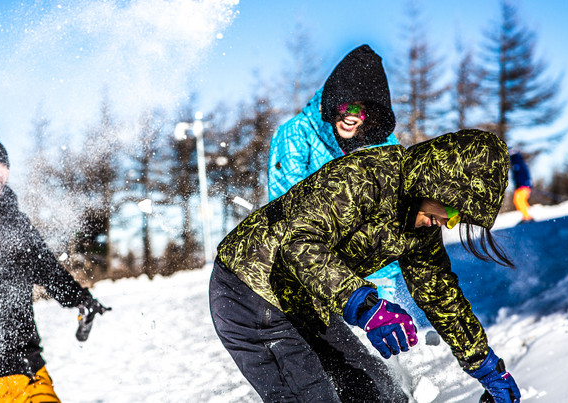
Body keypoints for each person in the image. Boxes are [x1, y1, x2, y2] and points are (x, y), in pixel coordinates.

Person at [210, 129, 521, 403]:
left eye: (459, 219)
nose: (449, 224)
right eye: (453, 210)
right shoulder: (365, 178)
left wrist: (486, 366)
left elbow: (439, 292)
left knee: (381, 395)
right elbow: (300, 242)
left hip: (307, 298)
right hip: (251, 291)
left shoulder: (422, 223)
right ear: (435, 182)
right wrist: (363, 305)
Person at [0, 124, 109, 402]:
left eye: (2, 164)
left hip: (30, 362)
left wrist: (80, 299)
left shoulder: (14, 219)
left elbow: (45, 266)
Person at [268, 44, 400, 301]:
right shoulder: (296, 134)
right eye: (345, 107)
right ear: (332, 103)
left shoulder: (383, 143)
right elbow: (286, 209)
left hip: (377, 272)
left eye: (361, 110)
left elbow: (391, 209)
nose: (352, 117)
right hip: (319, 268)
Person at [510, 150, 534, 223]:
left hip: (522, 186)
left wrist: (524, 183)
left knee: (519, 200)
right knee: (520, 200)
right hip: (523, 185)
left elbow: (521, 175)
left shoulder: (517, 164)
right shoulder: (519, 163)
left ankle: (527, 217)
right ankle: (526, 215)